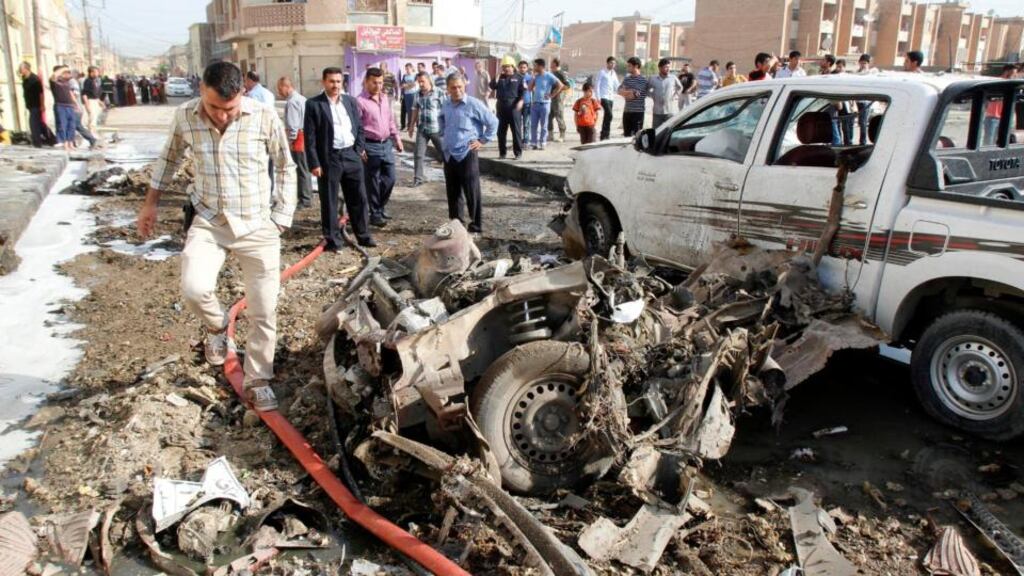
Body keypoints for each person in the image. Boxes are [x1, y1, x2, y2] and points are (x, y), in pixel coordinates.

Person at [137, 61, 295, 412]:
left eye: (230, 109)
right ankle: (218, 325)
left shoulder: (264, 116)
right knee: (194, 288)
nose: (222, 116)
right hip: (209, 221)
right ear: (201, 93)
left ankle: (258, 377)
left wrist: (282, 217)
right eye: (214, 108)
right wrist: (150, 205)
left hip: (258, 225)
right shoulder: (185, 116)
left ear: (242, 94)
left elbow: (285, 165)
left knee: (263, 308)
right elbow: (168, 160)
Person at [305, 67, 375, 250]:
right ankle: (333, 240)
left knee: (358, 198)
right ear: (324, 82)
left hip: (351, 156)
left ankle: (364, 235)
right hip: (330, 159)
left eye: (338, 81)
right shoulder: (314, 104)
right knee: (329, 200)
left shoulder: (350, 102)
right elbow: (310, 136)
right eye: (331, 81)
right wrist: (314, 162)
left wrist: (359, 149)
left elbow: (359, 127)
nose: (335, 85)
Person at [438, 73, 497, 233]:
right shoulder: (446, 104)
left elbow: (493, 122)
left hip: (467, 152)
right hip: (449, 153)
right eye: (453, 87)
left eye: (460, 87)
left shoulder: (473, 104)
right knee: (453, 191)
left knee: (472, 191)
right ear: (448, 89)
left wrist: (482, 141)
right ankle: (456, 224)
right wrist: (443, 133)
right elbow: (441, 118)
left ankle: (476, 225)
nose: (457, 90)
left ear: (464, 87)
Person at [357, 67, 403, 227]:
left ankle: (379, 207)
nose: (378, 86)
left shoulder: (385, 98)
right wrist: (360, 147)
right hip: (370, 145)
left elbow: (390, 120)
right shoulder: (360, 101)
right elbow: (357, 127)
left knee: (390, 179)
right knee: (373, 181)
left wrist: (397, 138)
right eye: (374, 83)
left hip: (386, 144)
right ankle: (375, 213)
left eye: (381, 83)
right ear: (366, 82)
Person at [277, 77, 312, 209]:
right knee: (305, 168)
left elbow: (293, 125)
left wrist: (290, 140)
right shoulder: (303, 99)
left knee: (300, 169)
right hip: (305, 136)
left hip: (298, 138)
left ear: (286, 87)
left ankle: (304, 198)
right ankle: (306, 195)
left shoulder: (292, 102)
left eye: (280, 89)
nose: (279, 92)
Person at [408, 71, 447, 185]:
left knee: (445, 154)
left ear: (429, 80)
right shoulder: (417, 94)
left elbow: (446, 111)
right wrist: (411, 126)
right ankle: (418, 179)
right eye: (419, 82)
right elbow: (415, 110)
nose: (420, 84)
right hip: (422, 129)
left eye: (422, 81)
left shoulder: (439, 93)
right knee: (418, 154)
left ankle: (453, 178)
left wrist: (448, 127)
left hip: (437, 130)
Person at [490, 56, 524, 160]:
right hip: (501, 107)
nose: (506, 69)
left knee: (516, 131)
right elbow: (492, 86)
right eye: (504, 67)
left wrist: (521, 102)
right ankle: (502, 153)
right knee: (500, 132)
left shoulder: (519, 77)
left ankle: (518, 153)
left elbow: (523, 92)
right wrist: (497, 76)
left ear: (513, 66)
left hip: (514, 107)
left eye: (508, 66)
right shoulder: (500, 77)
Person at [527, 58, 562, 150]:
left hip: (545, 104)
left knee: (544, 125)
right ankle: (534, 143)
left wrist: (552, 95)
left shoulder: (549, 75)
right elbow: (529, 89)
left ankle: (543, 142)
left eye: (535, 65)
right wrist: (533, 77)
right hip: (535, 104)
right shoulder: (536, 76)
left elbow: (560, 85)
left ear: (541, 66)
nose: (534, 67)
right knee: (533, 125)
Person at [983, 64, 1017, 145]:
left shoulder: (1012, 85)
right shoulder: (996, 82)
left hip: (1005, 118)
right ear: (1006, 72)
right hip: (992, 117)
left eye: (1015, 73)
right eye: (1013, 73)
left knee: (1000, 142)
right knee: (989, 141)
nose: (1014, 75)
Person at [648, 58, 682, 128]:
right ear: (660, 68)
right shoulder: (653, 78)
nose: (668, 69)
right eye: (666, 67)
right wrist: (652, 95)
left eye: (669, 67)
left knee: (669, 131)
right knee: (656, 131)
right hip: (657, 111)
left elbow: (680, 87)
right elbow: (646, 89)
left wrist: (675, 95)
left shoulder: (673, 77)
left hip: (670, 111)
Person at [618, 56, 648, 137]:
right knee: (626, 136)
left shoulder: (643, 80)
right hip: (627, 112)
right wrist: (629, 92)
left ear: (636, 66)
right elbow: (619, 91)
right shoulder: (627, 79)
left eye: (629, 66)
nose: (628, 68)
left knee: (636, 137)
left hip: (637, 113)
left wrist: (626, 93)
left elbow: (634, 96)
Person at [68, 70, 98, 149]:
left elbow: (76, 95)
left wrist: (77, 105)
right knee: (75, 126)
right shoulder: (74, 82)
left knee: (76, 126)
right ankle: (73, 142)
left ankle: (92, 139)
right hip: (76, 107)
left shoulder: (72, 82)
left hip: (75, 108)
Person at [50, 66, 78, 151]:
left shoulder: (67, 82)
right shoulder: (55, 82)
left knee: (72, 125)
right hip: (61, 106)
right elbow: (53, 76)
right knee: (63, 125)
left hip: (70, 106)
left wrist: (75, 104)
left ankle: (70, 143)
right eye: (65, 73)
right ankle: (65, 144)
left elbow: (71, 93)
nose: (67, 74)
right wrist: (63, 68)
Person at [18, 63, 45, 147]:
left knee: (34, 124)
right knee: (37, 123)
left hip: (36, 105)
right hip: (30, 105)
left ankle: (37, 143)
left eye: (21, 69)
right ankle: (43, 139)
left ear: (26, 69)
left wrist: (42, 105)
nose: (20, 70)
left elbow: (41, 93)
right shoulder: (25, 78)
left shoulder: (34, 79)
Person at [855, 54, 878, 145]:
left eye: (865, 63)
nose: (863, 65)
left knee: (863, 122)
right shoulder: (857, 73)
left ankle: (863, 141)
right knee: (860, 122)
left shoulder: (871, 73)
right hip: (857, 100)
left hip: (865, 101)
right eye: (861, 63)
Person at [595, 56, 619, 140]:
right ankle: (604, 133)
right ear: (607, 63)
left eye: (614, 63)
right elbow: (597, 85)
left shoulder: (614, 73)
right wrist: (598, 97)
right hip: (603, 96)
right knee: (609, 114)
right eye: (611, 63)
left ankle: (605, 135)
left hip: (611, 97)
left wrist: (624, 91)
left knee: (607, 116)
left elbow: (617, 85)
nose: (612, 65)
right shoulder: (602, 72)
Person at [547, 58, 570, 143]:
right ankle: (550, 134)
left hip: (558, 98)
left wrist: (558, 90)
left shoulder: (561, 73)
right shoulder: (552, 73)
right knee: (549, 116)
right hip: (551, 98)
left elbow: (567, 85)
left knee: (559, 115)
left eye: (552, 63)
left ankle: (562, 135)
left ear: (555, 64)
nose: (550, 65)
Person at [82, 66, 104, 136]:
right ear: (91, 73)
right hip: (90, 101)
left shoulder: (96, 81)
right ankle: (91, 135)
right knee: (91, 119)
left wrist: (100, 101)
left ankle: (93, 133)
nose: (98, 73)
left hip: (95, 101)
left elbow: (96, 93)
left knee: (94, 119)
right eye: (96, 72)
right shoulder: (88, 81)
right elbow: (84, 93)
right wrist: (87, 104)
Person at [518, 60, 533, 143]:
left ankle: (526, 140)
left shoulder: (530, 77)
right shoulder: (515, 77)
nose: (522, 69)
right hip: (517, 103)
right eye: (521, 67)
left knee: (526, 123)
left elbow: (532, 89)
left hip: (527, 103)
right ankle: (518, 139)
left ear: (527, 68)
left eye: (524, 67)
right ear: (518, 68)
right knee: (518, 123)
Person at [400, 62, 417, 131]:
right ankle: (409, 125)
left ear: (412, 68)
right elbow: (402, 86)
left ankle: (415, 125)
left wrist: (406, 85)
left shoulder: (415, 75)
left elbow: (414, 84)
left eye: (408, 68)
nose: (407, 70)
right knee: (408, 111)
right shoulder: (404, 76)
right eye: (406, 69)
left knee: (414, 110)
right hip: (406, 95)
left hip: (414, 94)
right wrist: (408, 85)